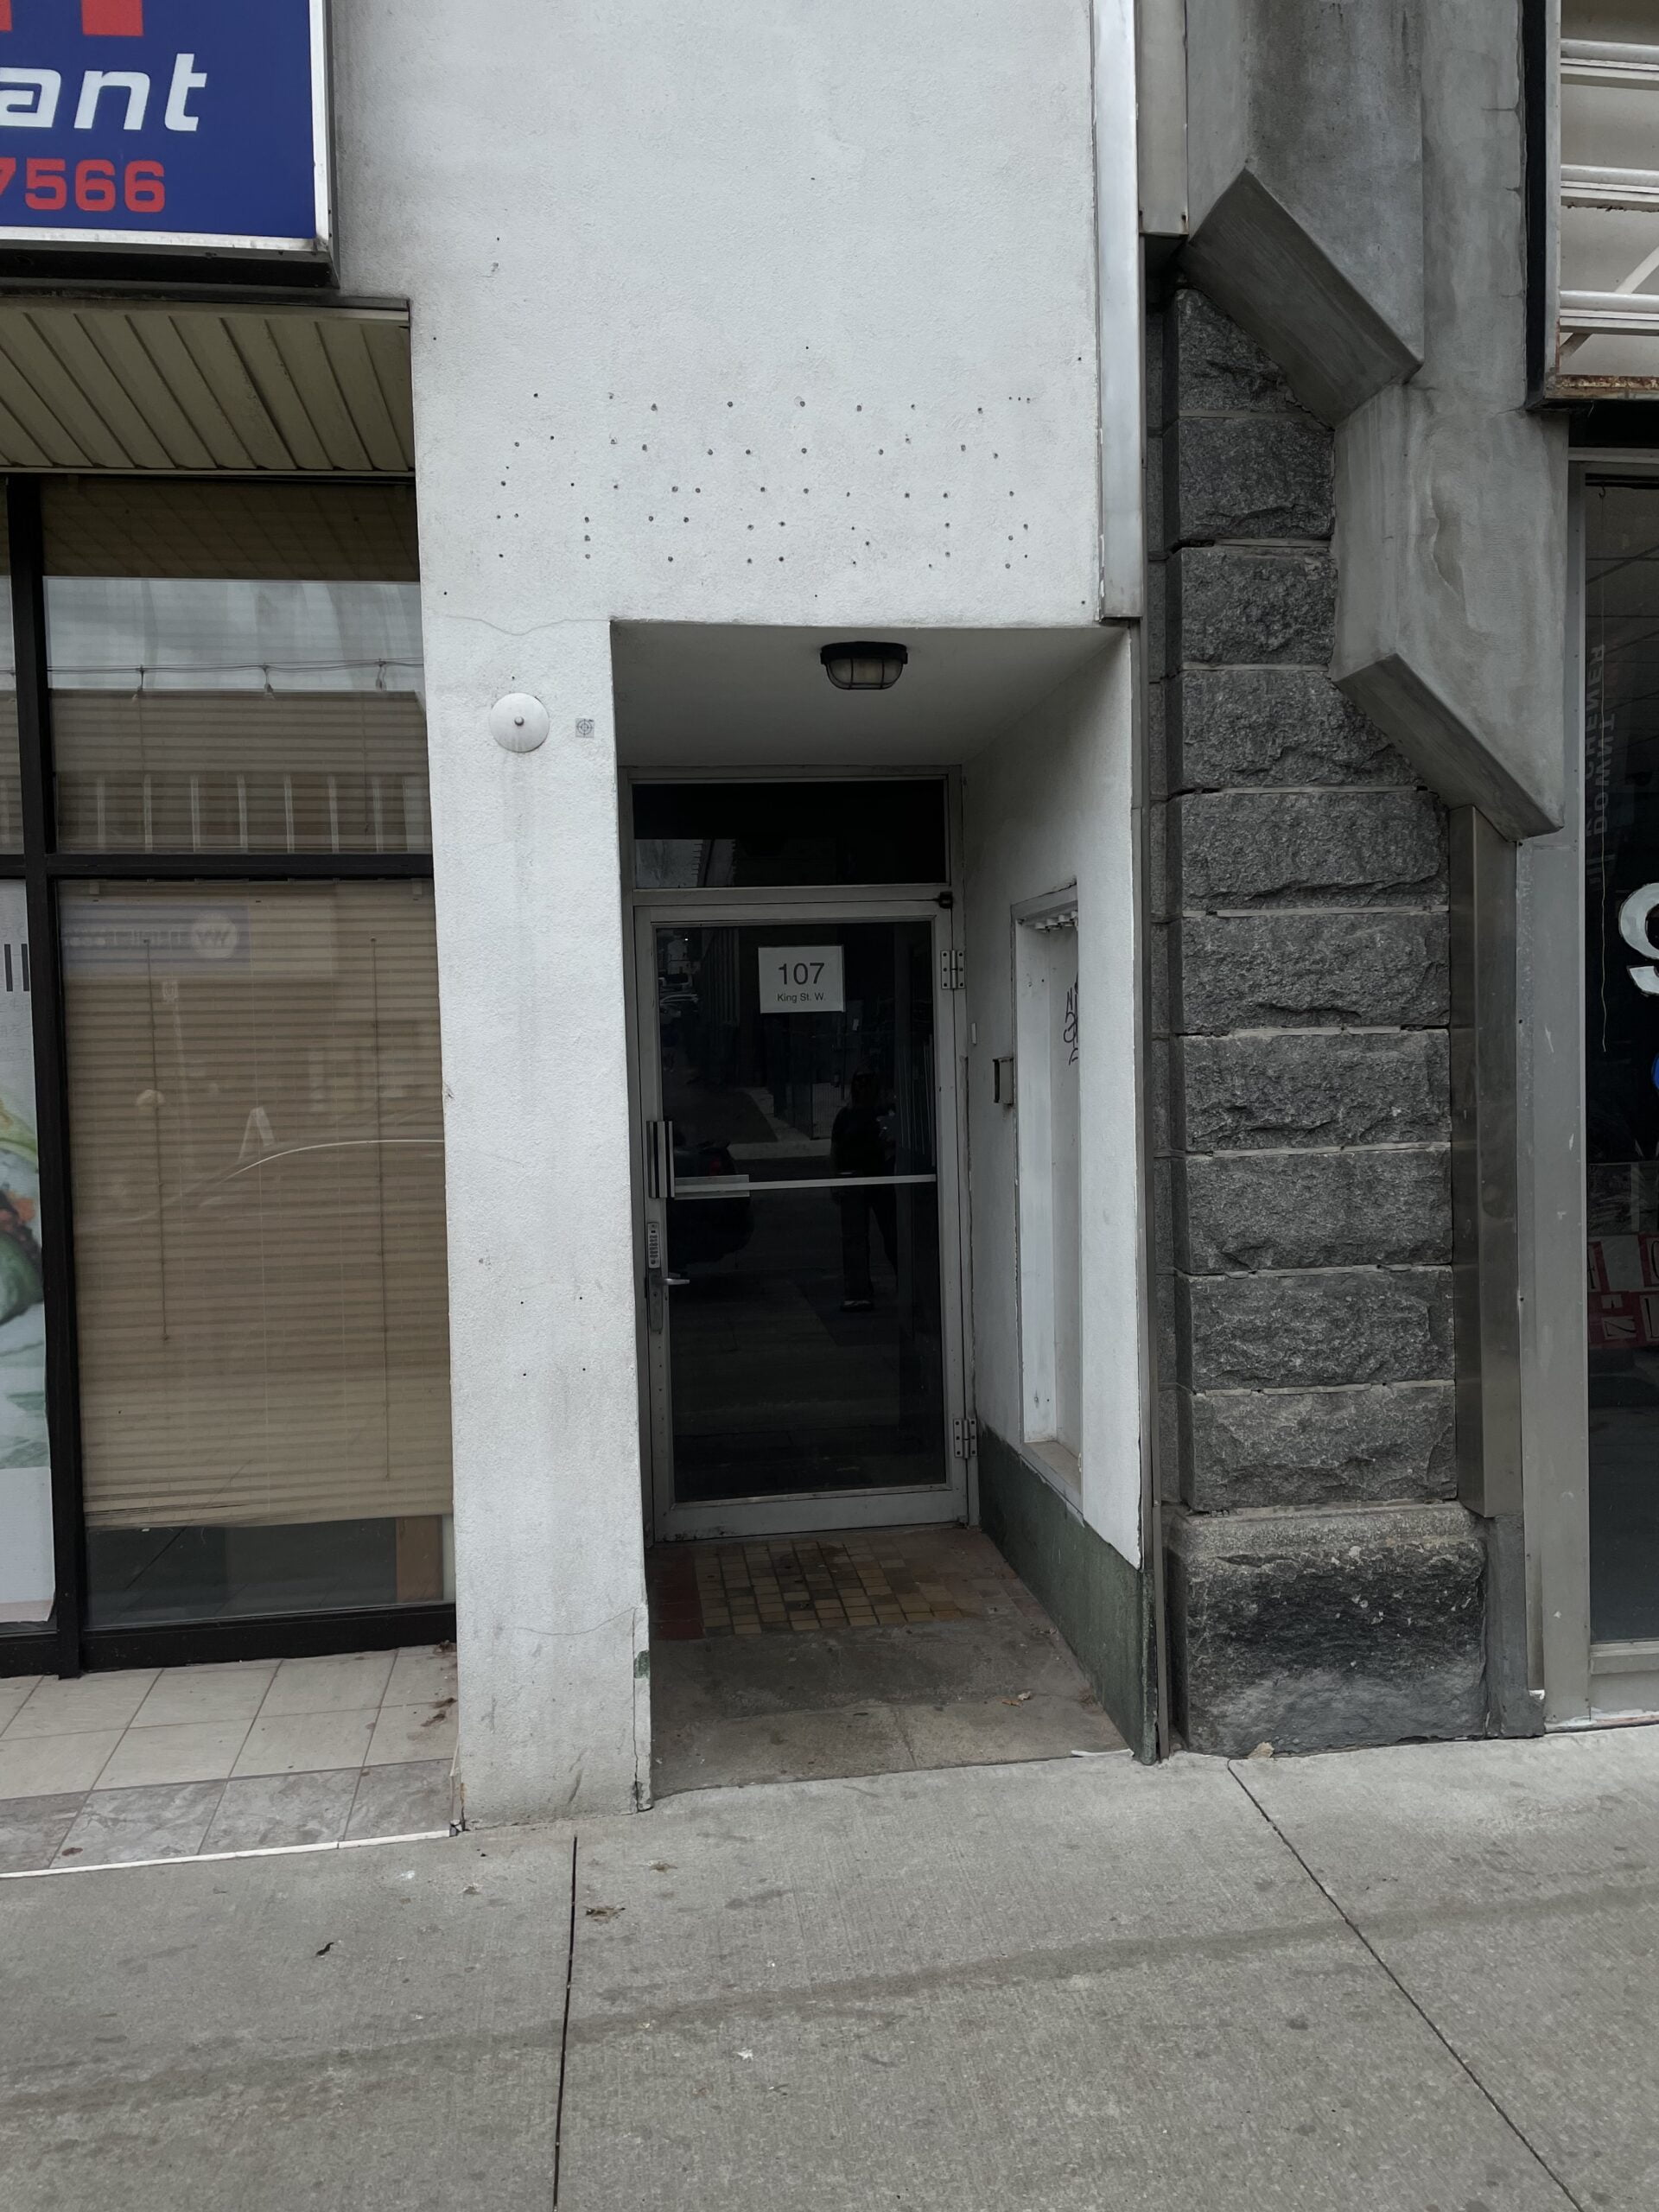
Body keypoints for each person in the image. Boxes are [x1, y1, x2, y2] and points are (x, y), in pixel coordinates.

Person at [830, 1071, 897, 1312]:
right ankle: (859, 1288)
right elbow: (836, 1149)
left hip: (879, 1178)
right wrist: (835, 1180)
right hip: (853, 1180)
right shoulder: (846, 1116)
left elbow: (894, 1144)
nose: (862, 1085)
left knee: (892, 1234)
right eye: (857, 1080)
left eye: (867, 1080)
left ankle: (905, 1281)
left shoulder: (884, 1112)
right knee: (855, 1239)